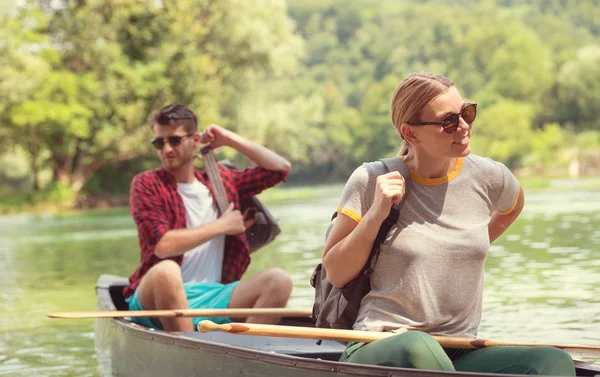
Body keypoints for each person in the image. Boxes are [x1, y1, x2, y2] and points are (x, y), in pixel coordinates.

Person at [322, 72, 575, 375]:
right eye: (449, 121)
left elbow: (513, 207)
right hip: (381, 345)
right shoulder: (370, 179)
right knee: (417, 347)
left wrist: (467, 243)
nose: (465, 126)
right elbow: (335, 272)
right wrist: (376, 214)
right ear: (410, 133)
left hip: (460, 350)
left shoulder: (490, 176)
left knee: (552, 362)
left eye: (466, 113)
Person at [123, 103, 293, 332]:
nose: (166, 149)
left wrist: (228, 139)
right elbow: (162, 246)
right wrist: (220, 225)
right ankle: (193, 349)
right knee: (167, 271)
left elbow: (279, 169)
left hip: (214, 295)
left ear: (195, 140)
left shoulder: (221, 182)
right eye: (158, 143)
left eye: (174, 140)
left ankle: (240, 354)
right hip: (156, 295)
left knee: (279, 281)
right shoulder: (147, 184)